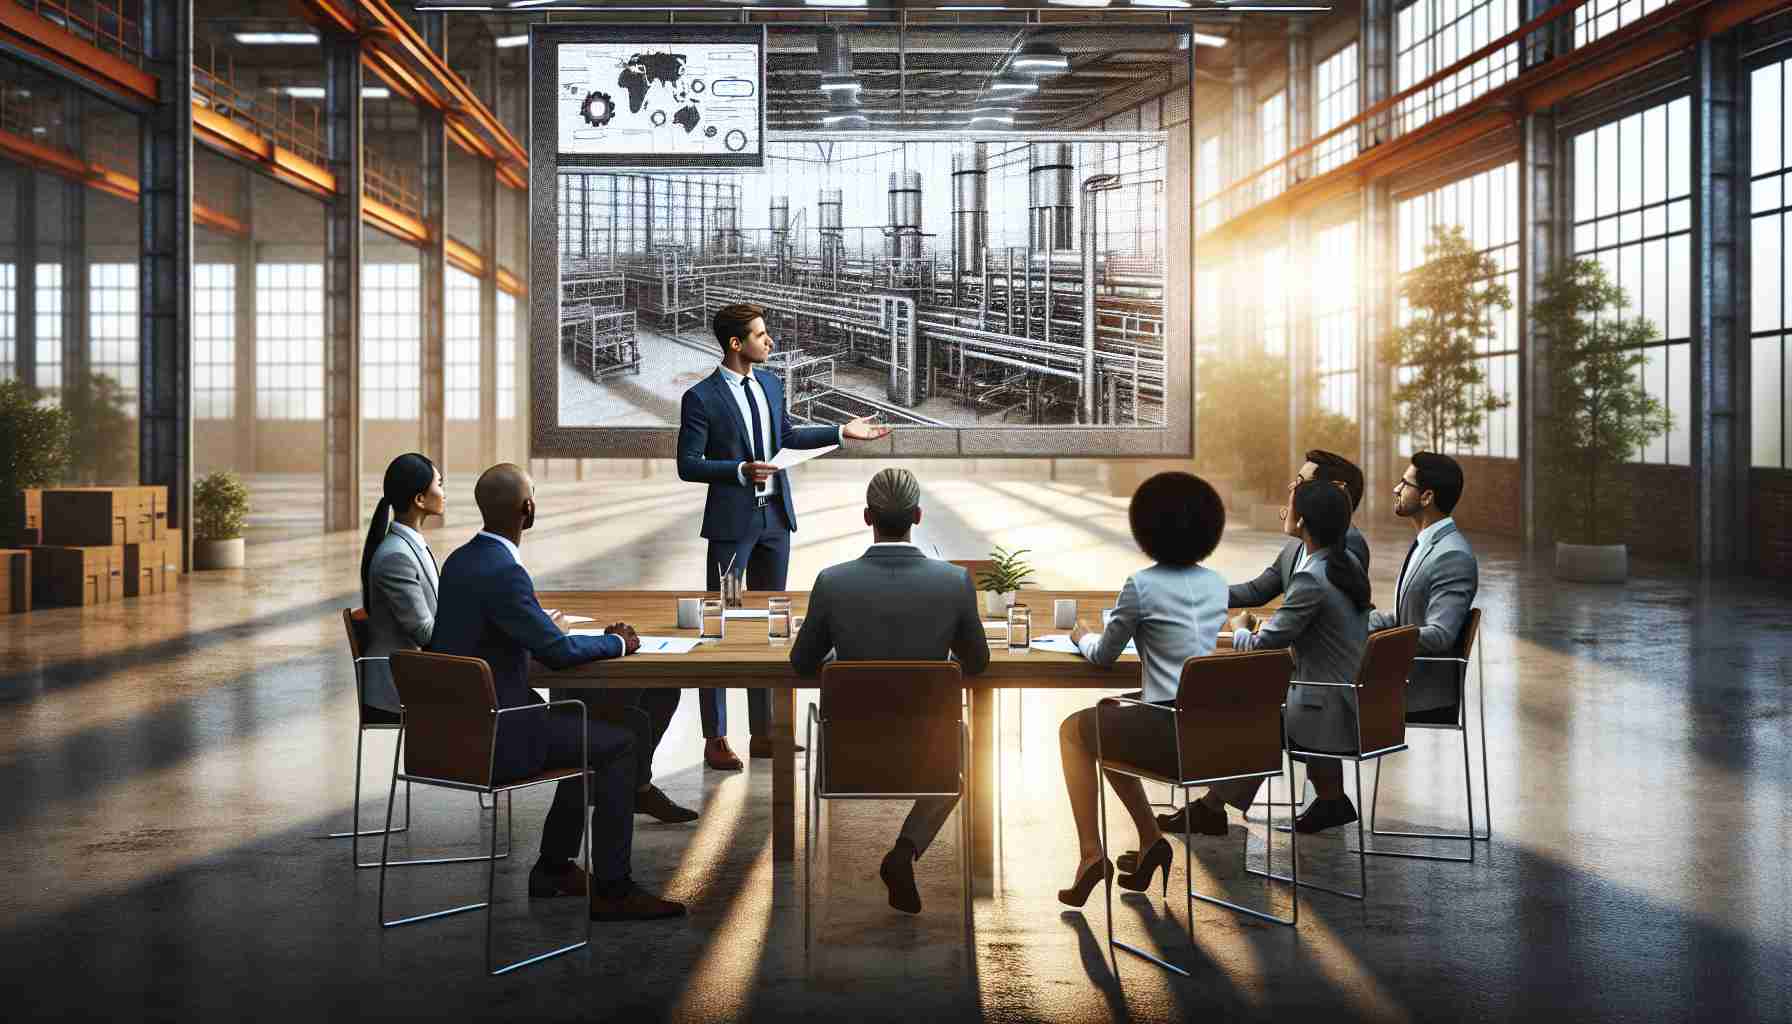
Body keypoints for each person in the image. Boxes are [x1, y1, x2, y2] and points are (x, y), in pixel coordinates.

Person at [429, 463, 683, 921]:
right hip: (501, 734)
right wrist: (618, 641)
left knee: (623, 724)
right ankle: (613, 890)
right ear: (527, 509)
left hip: (456, 731)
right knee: (619, 743)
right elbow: (559, 651)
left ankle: (554, 868)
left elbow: (501, 637)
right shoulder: (504, 571)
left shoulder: (460, 561)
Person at [677, 301, 892, 771]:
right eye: (760, 334)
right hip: (733, 526)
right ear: (736, 344)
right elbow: (688, 465)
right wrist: (737, 470)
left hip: (775, 520)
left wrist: (841, 431)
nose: (769, 340)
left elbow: (788, 434)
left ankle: (764, 733)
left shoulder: (771, 384)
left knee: (769, 626)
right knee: (719, 626)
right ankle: (715, 736)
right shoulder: (701, 398)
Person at [789, 468, 988, 915]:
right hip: (931, 759)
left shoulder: (832, 581)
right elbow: (977, 664)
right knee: (963, 745)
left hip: (847, 759)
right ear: (917, 515)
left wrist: (840, 666)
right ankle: (905, 851)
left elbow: (801, 664)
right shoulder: (953, 582)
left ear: (867, 517)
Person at [1054, 472, 1231, 906]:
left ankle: (1091, 856)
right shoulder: (1216, 584)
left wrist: (1080, 636)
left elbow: (1103, 656)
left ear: (1147, 529)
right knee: (1107, 723)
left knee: (1072, 732)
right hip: (1209, 733)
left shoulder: (1141, 584)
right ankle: (1152, 841)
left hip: (1166, 733)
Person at [1202, 480, 1373, 835]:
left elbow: (1262, 646)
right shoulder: (1343, 564)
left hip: (1324, 707)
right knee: (1259, 712)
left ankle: (1209, 809)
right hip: (1345, 697)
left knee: (1247, 716)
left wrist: (1240, 627)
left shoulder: (1312, 577)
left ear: (1303, 520)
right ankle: (1330, 800)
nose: (1285, 509)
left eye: (1289, 504)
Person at [1370, 452, 1478, 722]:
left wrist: (1374, 642)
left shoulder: (1452, 555)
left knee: (1316, 695)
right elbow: (1409, 614)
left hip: (1420, 690)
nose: (1396, 489)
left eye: (1405, 483)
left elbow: (1440, 635)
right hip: (1401, 677)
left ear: (1427, 497)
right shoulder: (1429, 544)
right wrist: (1360, 622)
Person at [1227, 449, 1371, 611]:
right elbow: (1257, 591)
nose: (1292, 488)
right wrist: (1201, 595)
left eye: (1301, 482)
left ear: (1328, 492)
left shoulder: (1349, 545)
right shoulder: (1298, 544)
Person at [358, 453, 445, 714]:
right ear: (419, 499)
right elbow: (424, 633)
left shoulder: (409, 546)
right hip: (399, 686)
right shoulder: (397, 555)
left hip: (416, 673)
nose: (443, 493)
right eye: (439, 484)